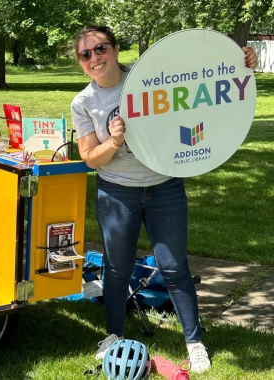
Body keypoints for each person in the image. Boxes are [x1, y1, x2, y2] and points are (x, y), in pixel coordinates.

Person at [71, 24, 258, 373]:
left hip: (164, 186)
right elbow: (89, 157)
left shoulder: (147, 77)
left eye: (101, 49)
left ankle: (195, 341)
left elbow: (200, 72)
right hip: (116, 191)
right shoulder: (83, 103)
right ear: (80, 62)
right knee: (116, 268)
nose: (95, 58)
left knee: (174, 267)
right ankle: (113, 336)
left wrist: (240, 61)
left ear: (114, 49)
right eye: (86, 54)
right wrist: (112, 143)